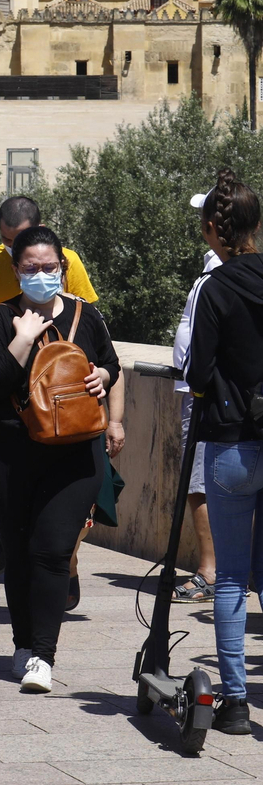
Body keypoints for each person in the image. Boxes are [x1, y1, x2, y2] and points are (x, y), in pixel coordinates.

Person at [0, 225, 119, 694]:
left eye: (49, 267)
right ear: (16, 270)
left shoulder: (86, 316)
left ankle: (43, 655)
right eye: (30, 268)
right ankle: (22, 644)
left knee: (53, 551)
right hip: (7, 455)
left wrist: (101, 376)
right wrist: (22, 339)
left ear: (63, 268)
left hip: (73, 455)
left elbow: (112, 364)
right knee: (18, 549)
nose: (41, 275)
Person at [0, 196, 99, 578]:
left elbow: (89, 320)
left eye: (48, 268)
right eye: (7, 242)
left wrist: (104, 384)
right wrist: (3, 326)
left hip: (59, 395)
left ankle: (66, 567)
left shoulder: (67, 260)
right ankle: (7, 541)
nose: (12, 247)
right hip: (6, 378)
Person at [183, 168, 263, 736]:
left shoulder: (214, 289)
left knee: (231, 577)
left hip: (233, 444)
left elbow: (198, 372)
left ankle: (234, 703)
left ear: (213, 229)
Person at [170, 213, 225, 604]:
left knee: (199, 484)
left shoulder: (220, 273)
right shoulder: (216, 266)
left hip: (205, 393)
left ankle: (211, 572)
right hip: (200, 389)